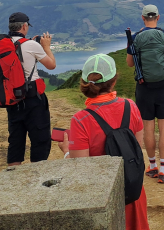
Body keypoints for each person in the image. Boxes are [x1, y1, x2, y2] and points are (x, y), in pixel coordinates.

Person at [58, 54, 150, 230]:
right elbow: (138, 147)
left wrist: (66, 151)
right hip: (133, 192)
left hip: (102, 198)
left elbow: (82, 168)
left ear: (84, 83)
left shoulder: (80, 120)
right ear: (114, 81)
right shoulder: (131, 106)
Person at [126, 4, 164, 183]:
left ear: (142, 18)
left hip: (144, 87)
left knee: (148, 127)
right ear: (158, 17)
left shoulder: (135, 38)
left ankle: (152, 166)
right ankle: (163, 169)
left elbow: (130, 64)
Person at [6, 12, 57, 166]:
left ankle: (13, 176)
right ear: (24, 26)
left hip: (12, 99)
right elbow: (51, 65)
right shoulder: (30, 45)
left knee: (16, 140)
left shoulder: (3, 44)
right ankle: (37, 174)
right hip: (33, 98)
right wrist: (46, 47)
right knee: (40, 139)